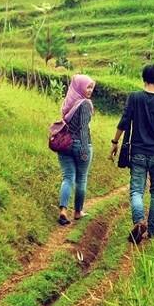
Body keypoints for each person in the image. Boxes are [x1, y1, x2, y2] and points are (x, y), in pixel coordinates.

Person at [111, 64, 154, 244]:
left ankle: (139, 221)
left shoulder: (134, 98)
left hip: (138, 153)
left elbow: (124, 121)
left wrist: (115, 142)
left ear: (143, 79)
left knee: (136, 191)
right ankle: (152, 232)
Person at [56, 73, 95, 225]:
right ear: (80, 87)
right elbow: (84, 129)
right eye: (88, 87)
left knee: (67, 177)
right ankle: (78, 212)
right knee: (81, 179)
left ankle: (63, 210)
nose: (90, 90)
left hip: (64, 144)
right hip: (80, 144)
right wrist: (85, 149)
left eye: (91, 87)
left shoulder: (69, 101)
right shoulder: (85, 104)